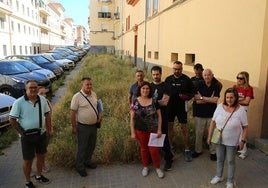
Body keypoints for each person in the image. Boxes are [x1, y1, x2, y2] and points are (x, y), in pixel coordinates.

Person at [9, 80, 52, 188]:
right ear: (26, 89)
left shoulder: (42, 100)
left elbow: (47, 115)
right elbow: (12, 119)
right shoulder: (18, 102)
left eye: (35, 87)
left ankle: (38, 175)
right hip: (27, 137)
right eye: (30, 87)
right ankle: (28, 182)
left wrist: (49, 129)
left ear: (37, 88)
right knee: (28, 160)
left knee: (41, 157)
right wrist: (21, 132)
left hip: (41, 134)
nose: (33, 89)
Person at [207, 88, 248, 188]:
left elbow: (245, 126)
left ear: (235, 98)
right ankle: (219, 176)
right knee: (220, 158)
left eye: (231, 97)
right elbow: (213, 122)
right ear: (225, 98)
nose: (229, 99)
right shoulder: (220, 106)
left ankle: (230, 181)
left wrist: (242, 140)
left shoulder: (241, 110)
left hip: (232, 141)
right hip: (219, 139)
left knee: (230, 161)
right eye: (227, 97)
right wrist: (209, 136)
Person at [130, 81, 164, 178]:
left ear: (150, 90)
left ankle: (157, 168)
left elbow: (159, 116)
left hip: (153, 130)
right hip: (140, 130)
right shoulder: (135, 101)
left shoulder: (154, 100)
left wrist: (159, 129)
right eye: (143, 88)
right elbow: (132, 118)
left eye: (147, 89)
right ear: (140, 90)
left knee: (154, 150)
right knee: (144, 149)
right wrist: (132, 132)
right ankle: (145, 167)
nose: (145, 90)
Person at [70, 77, 102, 177]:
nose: (89, 86)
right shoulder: (77, 97)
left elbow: (98, 106)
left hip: (93, 126)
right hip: (83, 127)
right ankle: (79, 167)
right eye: (87, 84)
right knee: (82, 147)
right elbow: (72, 113)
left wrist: (100, 116)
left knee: (91, 145)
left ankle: (87, 162)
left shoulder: (94, 94)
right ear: (82, 85)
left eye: (90, 84)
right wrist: (74, 127)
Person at [165, 61, 194, 162]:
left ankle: (187, 150)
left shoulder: (187, 80)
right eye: (175, 69)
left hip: (182, 108)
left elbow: (192, 93)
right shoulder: (168, 79)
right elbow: (165, 94)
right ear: (172, 68)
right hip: (170, 108)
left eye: (179, 69)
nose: (177, 71)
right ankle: (170, 147)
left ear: (182, 69)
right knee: (169, 128)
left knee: (184, 129)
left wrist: (187, 97)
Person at [192, 69, 221, 161]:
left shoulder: (216, 86)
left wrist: (202, 97)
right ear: (202, 76)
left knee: (214, 133)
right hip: (199, 114)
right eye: (205, 75)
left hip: (213, 115)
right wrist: (209, 99)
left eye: (208, 75)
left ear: (212, 75)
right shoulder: (198, 84)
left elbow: (215, 100)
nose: (207, 77)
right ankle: (198, 150)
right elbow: (196, 100)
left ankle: (213, 152)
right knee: (199, 133)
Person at [150, 66, 174, 171]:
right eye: (154, 74)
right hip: (151, 118)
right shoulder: (149, 86)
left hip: (163, 116)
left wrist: (152, 103)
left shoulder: (166, 86)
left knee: (164, 138)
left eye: (157, 74)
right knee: (152, 138)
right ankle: (153, 158)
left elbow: (165, 102)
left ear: (161, 74)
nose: (155, 76)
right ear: (151, 75)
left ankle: (169, 159)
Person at [233, 71, 254, 159]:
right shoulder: (235, 87)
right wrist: (241, 99)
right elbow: (231, 98)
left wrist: (237, 99)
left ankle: (243, 151)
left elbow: (247, 101)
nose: (239, 80)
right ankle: (236, 147)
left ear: (245, 79)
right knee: (234, 128)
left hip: (243, 110)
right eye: (237, 78)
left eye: (241, 78)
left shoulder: (249, 88)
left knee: (242, 130)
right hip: (234, 109)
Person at [38, 86, 53, 173]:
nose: (44, 95)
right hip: (38, 131)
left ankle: (42, 165)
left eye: (45, 93)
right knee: (38, 151)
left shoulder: (46, 102)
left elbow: (50, 117)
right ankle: (40, 166)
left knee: (43, 149)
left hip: (46, 130)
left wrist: (50, 128)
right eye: (41, 94)